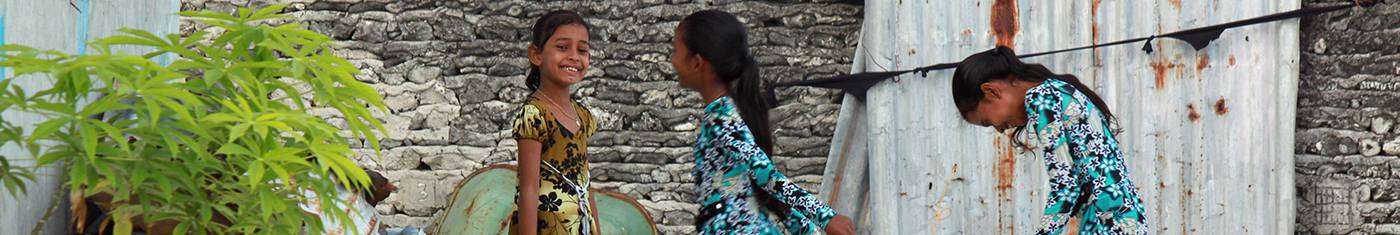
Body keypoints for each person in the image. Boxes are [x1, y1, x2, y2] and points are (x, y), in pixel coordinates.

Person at [670, 10, 855, 235]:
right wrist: (808, 230)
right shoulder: (730, 116)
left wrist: (826, 218)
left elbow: (766, 175)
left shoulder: (722, 119)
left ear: (697, 63)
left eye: (675, 51)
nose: (672, 60)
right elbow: (763, 188)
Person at [950, 46, 1148, 234]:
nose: (999, 129)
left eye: (987, 121)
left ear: (991, 91)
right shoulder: (1059, 90)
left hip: (1107, 223)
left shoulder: (1041, 98)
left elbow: (1066, 185)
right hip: (1123, 217)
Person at [510, 10, 601, 235]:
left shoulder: (582, 116)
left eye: (582, 50)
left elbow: (585, 184)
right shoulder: (535, 115)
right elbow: (529, 189)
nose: (574, 56)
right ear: (536, 55)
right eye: (562, 47)